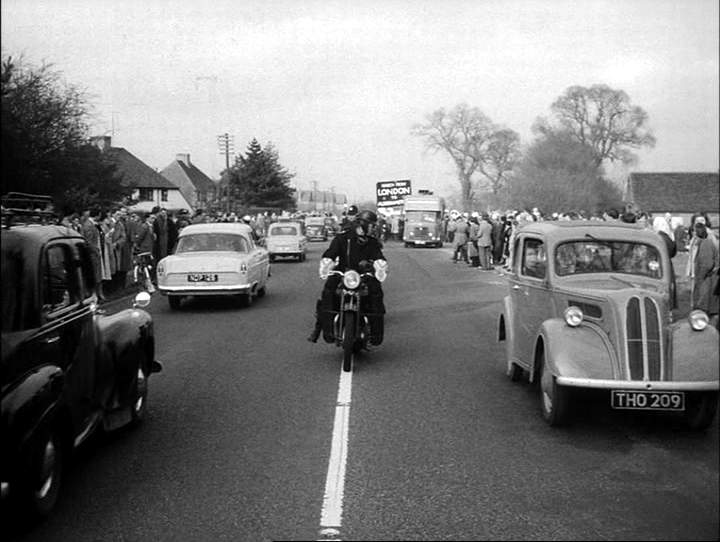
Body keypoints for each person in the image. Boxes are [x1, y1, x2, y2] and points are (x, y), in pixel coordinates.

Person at [307, 210, 387, 345]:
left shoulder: (372, 242)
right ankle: (324, 330)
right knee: (328, 291)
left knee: (376, 293)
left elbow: (378, 256)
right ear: (363, 224)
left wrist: (379, 266)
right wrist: (327, 264)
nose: (374, 228)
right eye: (372, 225)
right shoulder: (342, 238)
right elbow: (331, 253)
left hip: (364, 275)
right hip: (344, 274)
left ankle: (376, 335)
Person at [692, 222, 719, 321]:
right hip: (707, 278)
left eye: (695, 231)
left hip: (707, 279)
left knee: (704, 304)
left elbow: (707, 264)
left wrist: (700, 277)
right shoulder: (706, 242)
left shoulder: (705, 244)